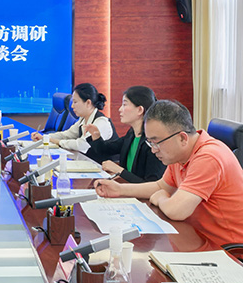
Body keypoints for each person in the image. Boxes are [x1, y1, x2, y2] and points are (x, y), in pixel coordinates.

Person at [95, 100, 243, 246]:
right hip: (195, 236)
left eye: (156, 142)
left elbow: (176, 210)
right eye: (150, 142)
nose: (153, 150)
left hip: (227, 250)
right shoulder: (180, 154)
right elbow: (161, 186)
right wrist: (119, 189)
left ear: (182, 138)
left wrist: (161, 198)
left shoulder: (208, 157)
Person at [84, 86, 166, 183]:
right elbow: (106, 150)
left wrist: (119, 170)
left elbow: (152, 185)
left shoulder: (153, 143)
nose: (120, 109)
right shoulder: (131, 134)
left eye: (124, 105)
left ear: (140, 110)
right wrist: (96, 135)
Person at [32, 83, 118, 163]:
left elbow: (81, 144)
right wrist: (45, 137)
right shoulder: (83, 119)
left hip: (106, 169)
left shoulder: (101, 122)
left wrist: (56, 142)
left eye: (75, 102)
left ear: (88, 103)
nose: (72, 106)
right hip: (89, 163)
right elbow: (67, 135)